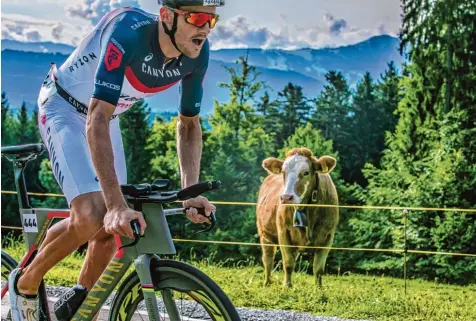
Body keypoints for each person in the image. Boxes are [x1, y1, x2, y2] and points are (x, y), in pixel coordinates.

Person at [8, 1, 225, 320]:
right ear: (166, 16)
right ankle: (25, 284)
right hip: (64, 109)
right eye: (196, 18)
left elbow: (189, 124)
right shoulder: (127, 33)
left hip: (109, 117)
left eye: (212, 20)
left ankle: (81, 306)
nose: (205, 28)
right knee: (97, 212)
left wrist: (190, 191)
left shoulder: (196, 54)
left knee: (113, 230)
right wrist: (114, 203)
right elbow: (95, 115)